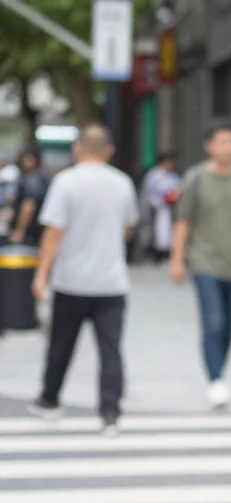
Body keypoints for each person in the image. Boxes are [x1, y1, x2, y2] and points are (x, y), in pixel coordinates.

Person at [25, 124, 139, 436]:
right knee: (111, 349)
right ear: (109, 150)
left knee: (61, 345)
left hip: (71, 280)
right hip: (112, 280)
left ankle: (50, 400)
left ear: (77, 149)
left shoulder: (65, 182)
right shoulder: (122, 183)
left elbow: (53, 232)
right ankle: (110, 414)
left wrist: (41, 274)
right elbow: (128, 228)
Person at [170, 118, 231, 409]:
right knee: (213, 322)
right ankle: (215, 378)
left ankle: (220, 372)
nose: (229, 147)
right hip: (204, 261)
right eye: (223, 141)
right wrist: (177, 259)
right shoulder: (196, 178)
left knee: (228, 325)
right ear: (208, 145)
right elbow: (184, 221)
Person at [139, 152, 180, 264]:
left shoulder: (172, 175)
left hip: (169, 207)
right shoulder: (154, 175)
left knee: (168, 231)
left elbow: (178, 188)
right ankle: (154, 253)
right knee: (155, 231)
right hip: (155, 207)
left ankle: (166, 252)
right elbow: (149, 191)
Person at [9, 149, 49, 248]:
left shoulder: (32, 179)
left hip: (30, 233)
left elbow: (29, 204)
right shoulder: (38, 177)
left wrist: (20, 231)